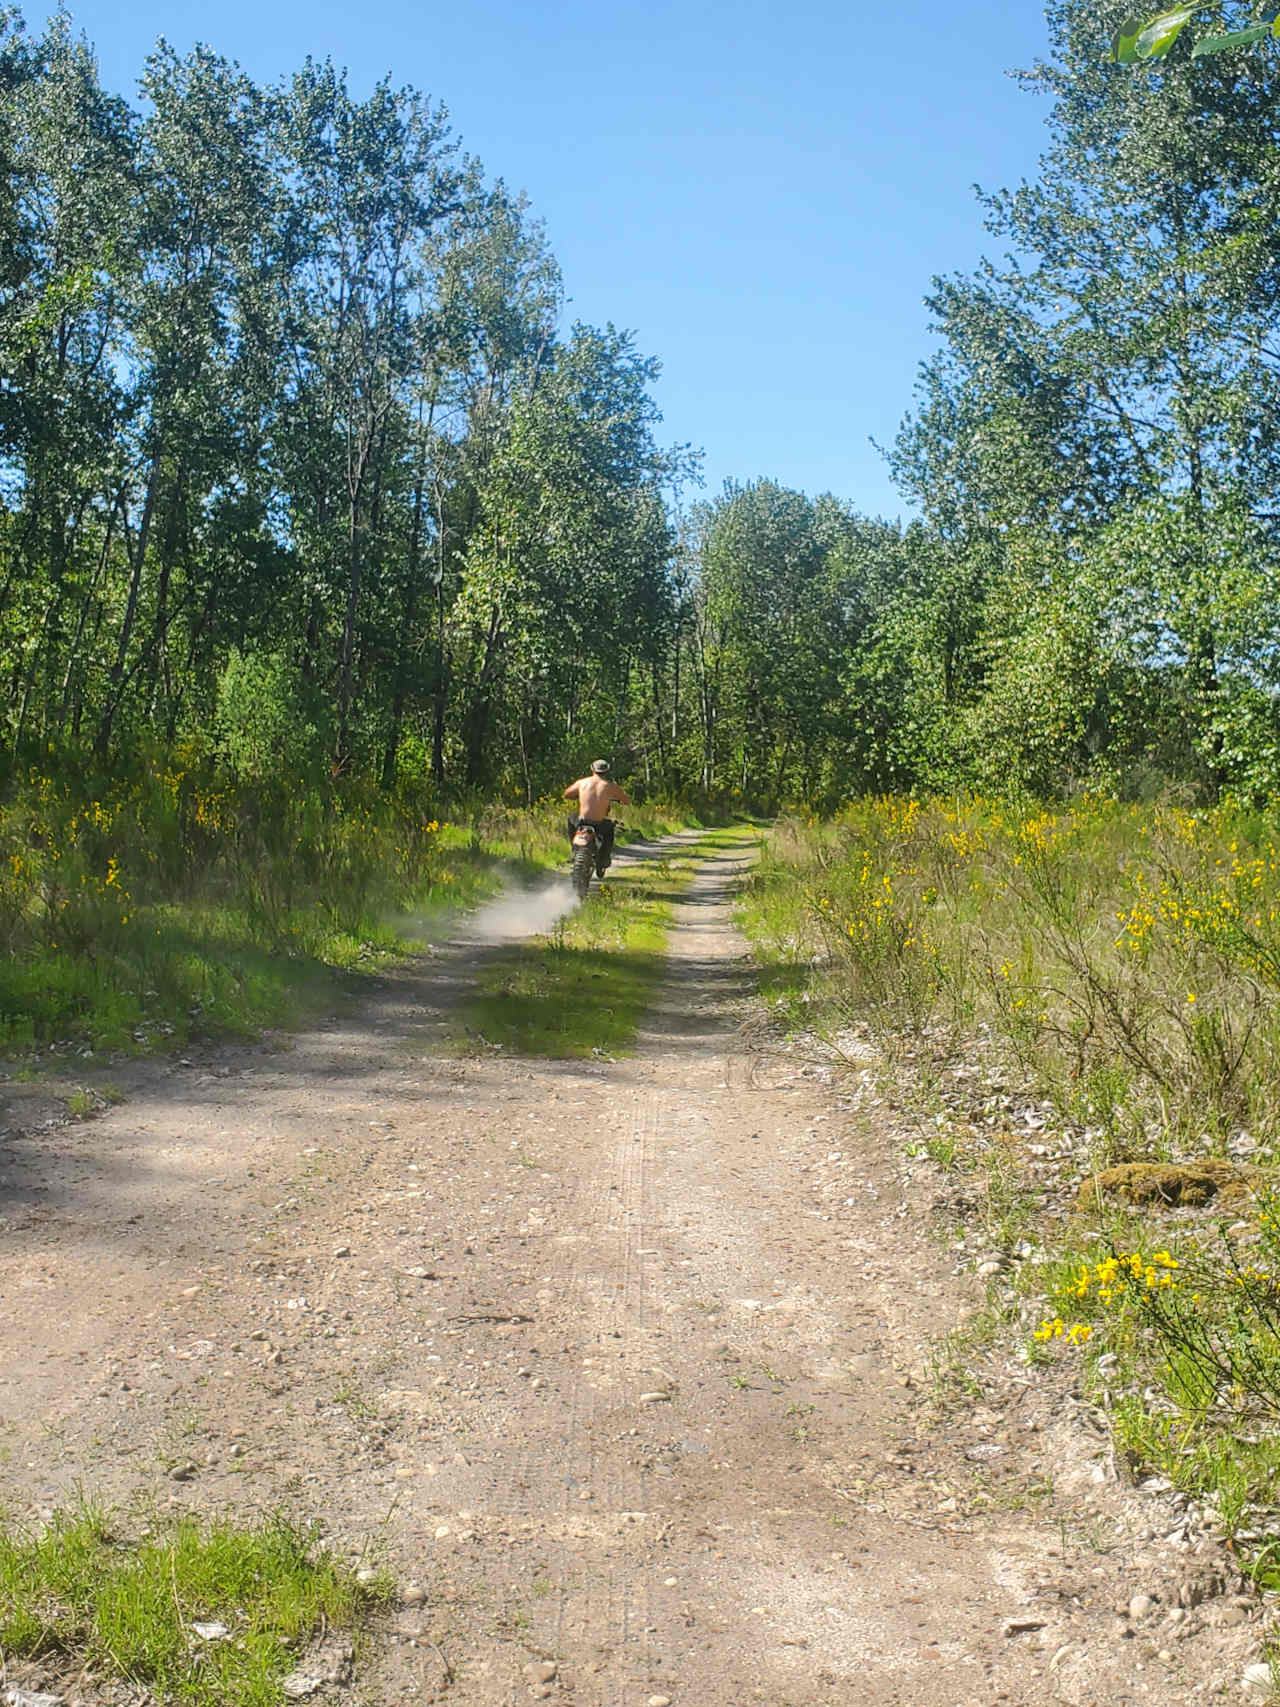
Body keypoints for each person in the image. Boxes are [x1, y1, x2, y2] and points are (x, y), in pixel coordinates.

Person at [563, 759, 632, 876]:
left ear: (592, 770)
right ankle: (603, 859)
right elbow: (627, 801)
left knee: (571, 819)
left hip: (581, 821)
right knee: (609, 830)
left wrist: (578, 795)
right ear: (606, 771)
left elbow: (566, 794)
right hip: (599, 823)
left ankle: (574, 848)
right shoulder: (610, 786)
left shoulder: (582, 782)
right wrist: (618, 799)